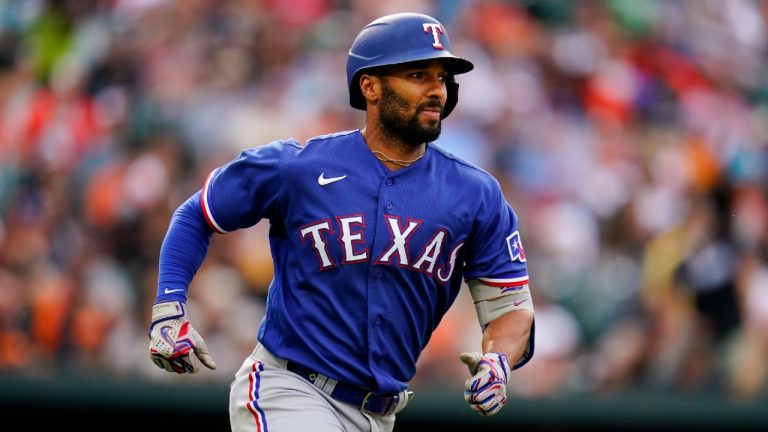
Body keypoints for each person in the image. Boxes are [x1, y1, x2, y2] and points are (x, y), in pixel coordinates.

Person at [147, 12, 535, 432]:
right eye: (418, 74)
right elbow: (198, 214)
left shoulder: (476, 194)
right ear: (370, 86)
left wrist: (498, 361)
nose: (436, 90)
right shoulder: (299, 166)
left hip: (380, 414)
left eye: (441, 78)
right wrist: (169, 309)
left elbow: (511, 310)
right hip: (289, 389)